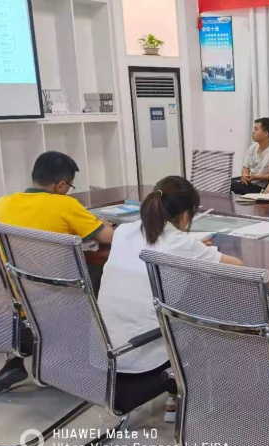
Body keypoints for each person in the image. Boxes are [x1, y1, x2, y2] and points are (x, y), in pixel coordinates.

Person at [98, 176, 243, 419]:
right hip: (142, 356)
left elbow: (158, 244)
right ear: (186, 216)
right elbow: (238, 267)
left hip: (104, 351)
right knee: (203, 327)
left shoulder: (122, 231)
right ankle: (182, 399)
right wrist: (196, 248)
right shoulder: (182, 244)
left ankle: (174, 399)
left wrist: (191, 245)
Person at [0, 151, 114, 390]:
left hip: (11, 300)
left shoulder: (2, 203)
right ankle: (90, 354)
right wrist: (104, 225)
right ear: (60, 185)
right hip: (51, 299)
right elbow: (108, 237)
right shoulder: (65, 204)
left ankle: (17, 360)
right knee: (100, 272)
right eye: (69, 185)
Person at [232, 117, 269, 195]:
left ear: (265, 134)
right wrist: (244, 176)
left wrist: (256, 177)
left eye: (256, 129)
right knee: (229, 184)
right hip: (249, 184)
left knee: (232, 186)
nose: (253, 132)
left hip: (262, 187)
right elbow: (245, 168)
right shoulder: (252, 148)